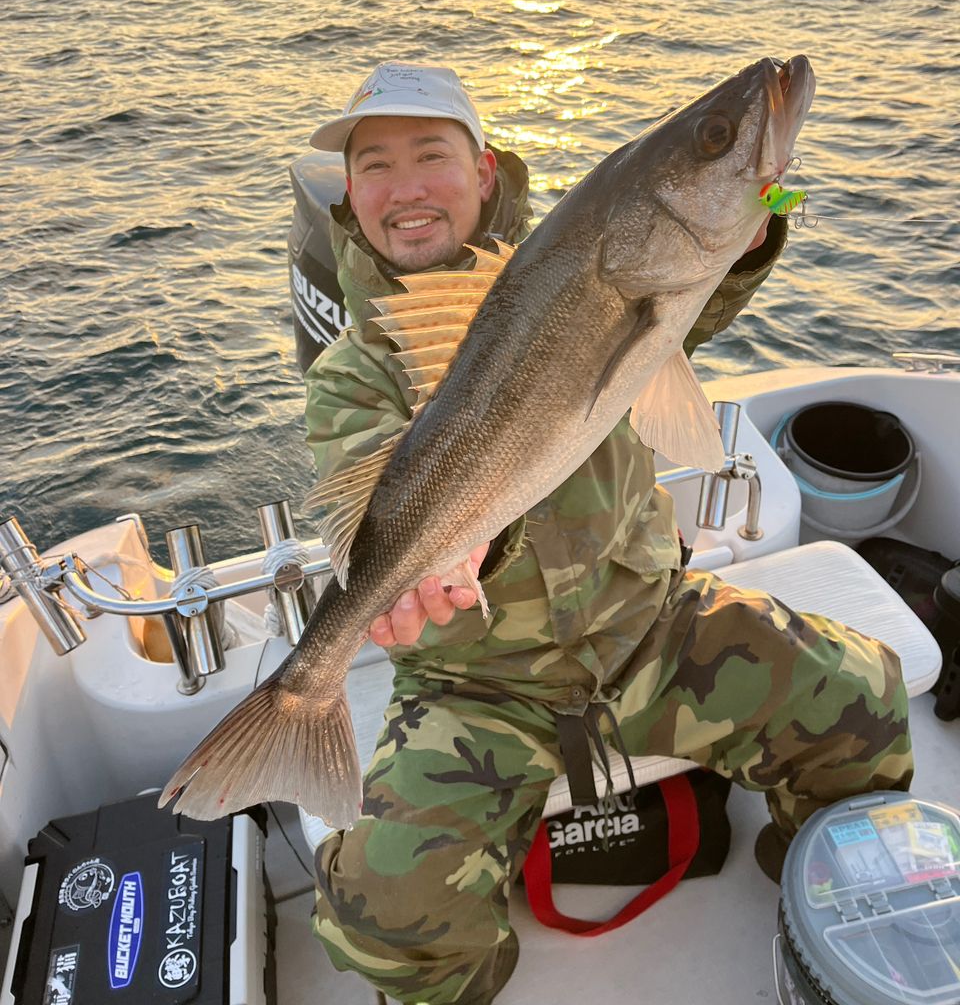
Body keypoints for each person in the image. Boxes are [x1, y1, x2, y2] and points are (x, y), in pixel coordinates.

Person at [302, 62, 913, 1005]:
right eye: (376, 165)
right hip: (478, 681)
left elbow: (698, 294)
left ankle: (801, 879)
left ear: (486, 175)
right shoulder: (351, 370)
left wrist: (763, 206)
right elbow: (386, 493)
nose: (408, 185)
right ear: (350, 193)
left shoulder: (590, 265)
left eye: (434, 155)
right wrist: (435, 571)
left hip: (649, 626)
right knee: (381, 908)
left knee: (867, 701)